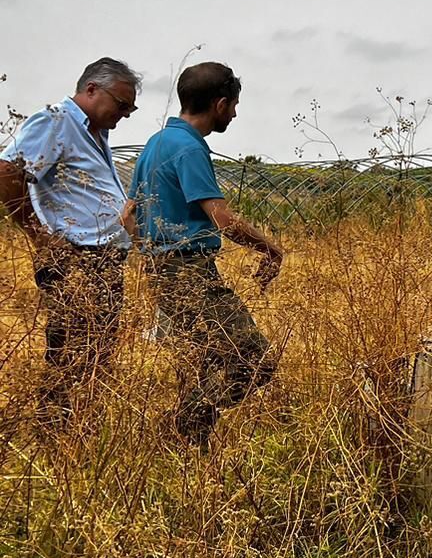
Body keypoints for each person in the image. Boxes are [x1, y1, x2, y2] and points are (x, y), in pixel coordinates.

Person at [126, 62, 284, 446]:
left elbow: (129, 214)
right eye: (233, 106)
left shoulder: (155, 143)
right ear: (220, 103)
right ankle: (179, 433)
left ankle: (190, 446)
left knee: (209, 361)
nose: (234, 113)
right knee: (253, 360)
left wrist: (151, 255)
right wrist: (271, 249)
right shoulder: (188, 148)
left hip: (164, 268)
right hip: (189, 271)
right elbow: (222, 218)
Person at [0, 58, 141, 419]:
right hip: (75, 255)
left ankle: (80, 428)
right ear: (92, 89)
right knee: (71, 348)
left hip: (102, 256)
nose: (125, 114)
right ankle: (55, 430)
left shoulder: (95, 133)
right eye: (122, 104)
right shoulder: (57, 121)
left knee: (98, 348)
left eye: (131, 108)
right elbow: (6, 171)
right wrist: (42, 237)